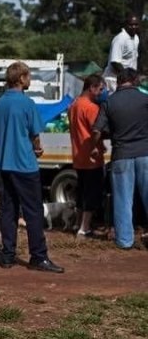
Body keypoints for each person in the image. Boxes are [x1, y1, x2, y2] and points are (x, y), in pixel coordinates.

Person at [0, 61, 63, 273]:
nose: (29, 79)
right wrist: (38, 148)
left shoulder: (0, 104)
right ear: (21, 78)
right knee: (33, 212)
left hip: (4, 164)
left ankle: (7, 255)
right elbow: (34, 135)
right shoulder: (27, 103)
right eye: (28, 76)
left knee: (8, 211)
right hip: (24, 164)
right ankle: (38, 256)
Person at [92, 68, 148, 249]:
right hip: (145, 153)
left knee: (123, 199)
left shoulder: (109, 102)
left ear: (118, 82)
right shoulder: (144, 99)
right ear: (134, 80)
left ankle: (125, 241)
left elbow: (96, 130)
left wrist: (94, 147)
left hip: (121, 155)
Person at [69, 74, 106, 237]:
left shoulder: (74, 104)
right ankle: (85, 228)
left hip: (78, 156)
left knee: (81, 192)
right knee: (92, 193)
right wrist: (96, 146)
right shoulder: (91, 108)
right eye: (100, 89)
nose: (101, 92)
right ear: (92, 88)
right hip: (92, 159)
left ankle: (77, 223)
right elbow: (96, 131)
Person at [103, 15, 140, 92]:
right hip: (114, 81)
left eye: (136, 24)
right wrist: (126, 77)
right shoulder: (120, 39)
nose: (134, 27)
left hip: (128, 81)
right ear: (126, 25)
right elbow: (115, 62)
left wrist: (134, 77)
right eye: (131, 25)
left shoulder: (136, 38)